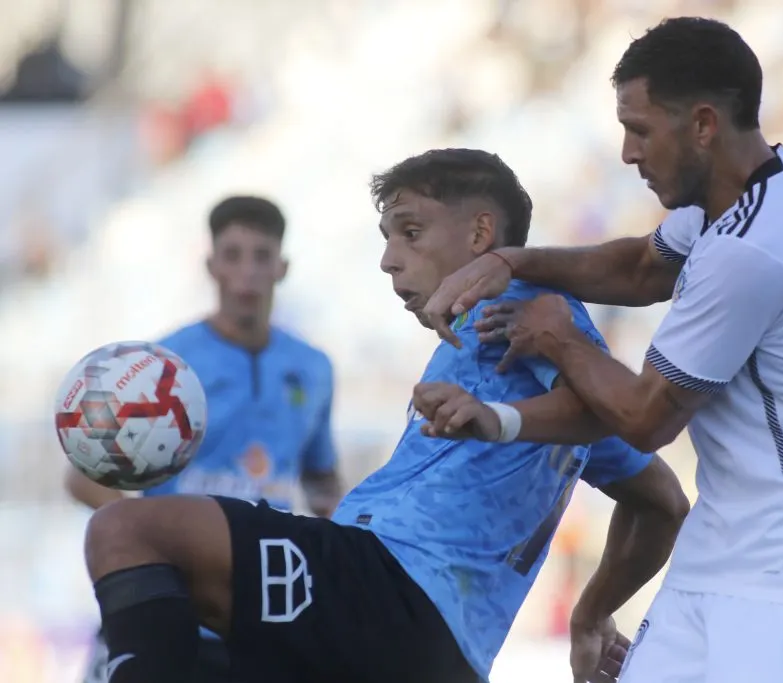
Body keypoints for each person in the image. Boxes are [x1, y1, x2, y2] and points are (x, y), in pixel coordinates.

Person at [81, 148, 689, 683]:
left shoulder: (517, 302)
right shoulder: (553, 392)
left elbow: (611, 415)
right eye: (386, 237)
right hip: (449, 652)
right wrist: (592, 613)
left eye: (411, 232)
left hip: (389, 584)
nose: (389, 260)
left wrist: (494, 415)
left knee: (128, 533)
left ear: (481, 234)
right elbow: (660, 498)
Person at [421, 17, 783, 683]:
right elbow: (643, 269)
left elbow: (647, 418)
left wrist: (556, 334)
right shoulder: (781, 183)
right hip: (725, 546)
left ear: (703, 124)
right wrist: (514, 260)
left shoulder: (750, 251)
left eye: (640, 130)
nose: (626, 153)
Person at [66, 195, 343, 683]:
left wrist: (344, 550)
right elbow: (81, 478)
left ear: (282, 267)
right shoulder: (163, 364)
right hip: (170, 606)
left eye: (261, 256)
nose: (247, 272)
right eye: (233, 255)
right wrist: (143, 535)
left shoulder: (313, 368)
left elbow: (322, 480)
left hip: (258, 613)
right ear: (211, 265)